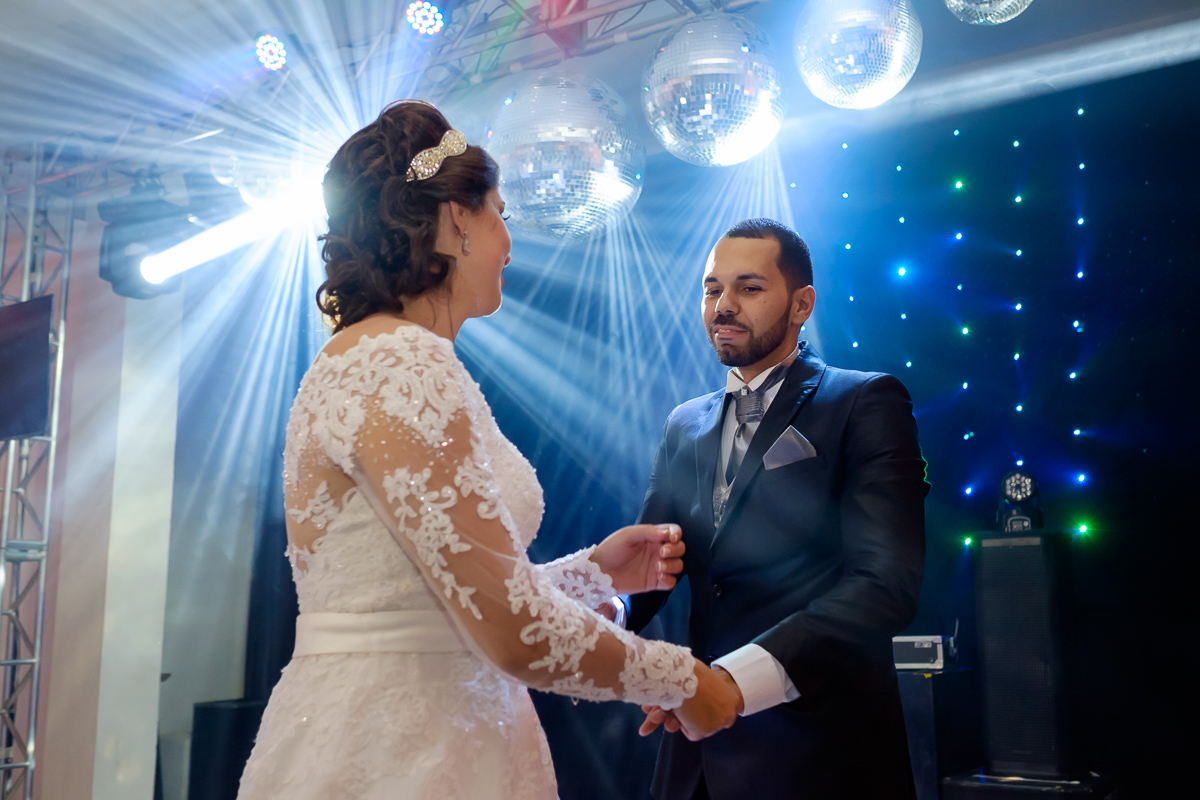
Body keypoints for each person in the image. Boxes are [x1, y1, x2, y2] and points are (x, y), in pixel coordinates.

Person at [236, 101, 741, 800]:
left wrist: (593, 575)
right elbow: (510, 631)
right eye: (499, 213)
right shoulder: (400, 363)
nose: (510, 242)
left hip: (430, 726)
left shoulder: (377, 357)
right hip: (404, 751)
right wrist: (684, 680)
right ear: (454, 218)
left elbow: (441, 600)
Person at [629, 219, 929, 800]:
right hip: (693, 758)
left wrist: (731, 683)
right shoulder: (683, 422)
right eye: (712, 289)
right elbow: (652, 567)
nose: (723, 306)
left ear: (801, 304)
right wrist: (592, 624)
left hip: (822, 753)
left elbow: (883, 585)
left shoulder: (865, 401)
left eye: (749, 288)